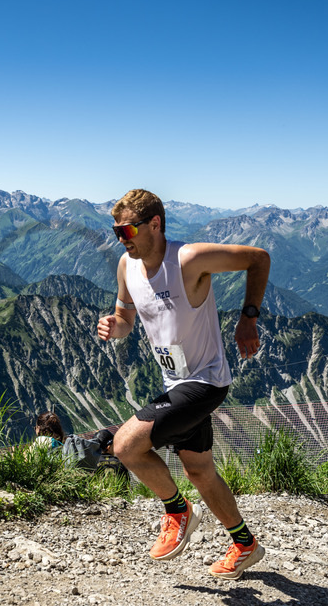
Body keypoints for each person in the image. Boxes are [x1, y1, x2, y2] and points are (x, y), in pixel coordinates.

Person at [97, 188, 270, 580]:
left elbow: (259, 259)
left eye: (126, 231)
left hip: (205, 381)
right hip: (175, 381)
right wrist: (114, 326)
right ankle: (246, 544)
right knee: (199, 470)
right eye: (116, 232)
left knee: (126, 445)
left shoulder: (188, 259)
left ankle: (177, 511)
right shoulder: (127, 266)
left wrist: (248, 318)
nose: (120, 239)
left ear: (154, 225)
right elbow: (125, 318)